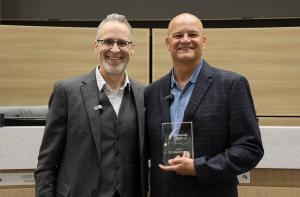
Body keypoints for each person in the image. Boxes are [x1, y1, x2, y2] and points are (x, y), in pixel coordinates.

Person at [145, 13, 264, 197]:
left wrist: (199, 167)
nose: (185, 40)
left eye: (192, 35)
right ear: (168, 43)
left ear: (204, 41)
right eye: (178, 35)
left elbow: (250, 149)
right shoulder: (152, 92)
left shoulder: (231, 85)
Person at [35, 13, 147, 197]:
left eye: (122, 43)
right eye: (108, 42)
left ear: (132, 49)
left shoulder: (143, 94)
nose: (115, 49)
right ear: (96, 46)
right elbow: (46, 164)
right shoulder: (67, 92)